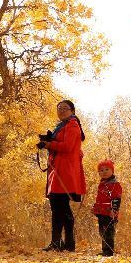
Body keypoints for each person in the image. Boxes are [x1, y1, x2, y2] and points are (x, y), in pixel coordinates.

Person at [38, 100, 87, 252]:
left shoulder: (72, 125)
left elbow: (67, 146)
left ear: (72, 110)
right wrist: (48, 141)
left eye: (65, 108)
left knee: (60, 206)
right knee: (60, 207)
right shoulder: (63, 125)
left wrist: (49, 144)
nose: (62, 110)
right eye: (59, 108)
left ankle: (59, 243)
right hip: (59, 170)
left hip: (64, 172)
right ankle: (65, 243)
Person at [92, 159, 122, 257]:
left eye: (106, 169)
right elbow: (100, 199)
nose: (104, 172)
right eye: (101, 170)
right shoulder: (102, 184)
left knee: (109, 231)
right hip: (102, 212)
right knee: (102, 231)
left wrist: (114, 210)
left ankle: (109, 251)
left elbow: (116, 198)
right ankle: (105, 249)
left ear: (112, 171)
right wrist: (96, 208)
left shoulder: (114, 184)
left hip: (110, 213)